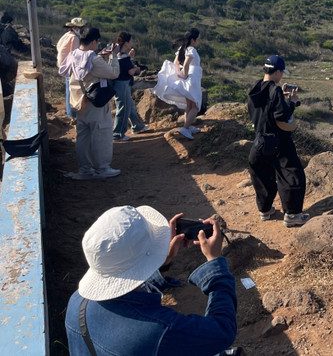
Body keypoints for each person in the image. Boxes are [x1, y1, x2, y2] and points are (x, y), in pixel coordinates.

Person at [65, 205, 236, 355]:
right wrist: (215, 263)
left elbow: (128, 292)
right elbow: (222, 330)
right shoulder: (160, 329)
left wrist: (161, 263)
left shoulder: (77, 302)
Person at [247, 55, 310, 227]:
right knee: (292, 175)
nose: (282, 76)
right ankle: (292, 215)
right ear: (277, 72)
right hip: (277, 140)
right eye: (281, 72)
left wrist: (279, 99)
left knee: (262, 176)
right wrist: (292, 103)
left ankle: (265, 210)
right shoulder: (274, 91)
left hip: (259, 141)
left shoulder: (256, 87)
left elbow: (262, 110)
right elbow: (281, 115)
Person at [60, 28, 121, 180]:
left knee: (83, 137)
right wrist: (113, 56)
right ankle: (102, 168)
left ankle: (85, 169)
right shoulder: (93, 59)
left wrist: (100, 56)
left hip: (79, 102)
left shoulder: (73, 55)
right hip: (95, 102)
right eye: (97, 41)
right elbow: (113, 73)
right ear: (93, 41)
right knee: (101, 134)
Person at [152, 28, 202, 140]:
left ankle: (188, 126)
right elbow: (186, 64)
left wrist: (180, 73)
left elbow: (176, 63)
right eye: (198, 38)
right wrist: (184, 74)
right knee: (195, 106)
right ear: (193, 40)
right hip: (192, 78)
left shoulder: (182, 48)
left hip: (189, 77)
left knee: (189, 104)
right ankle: (185, 128)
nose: (199, 40)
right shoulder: (191, 50)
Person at [109, 32, 149, 141]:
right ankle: (117, 133)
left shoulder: (118, 53)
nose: (132, 43)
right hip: (122, 83)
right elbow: (130, 71)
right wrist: (136, 69)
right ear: (126, 43)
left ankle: (137, 126)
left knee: (129, 105)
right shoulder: (123, 55)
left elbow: (122, 66)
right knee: (123, 107)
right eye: (131, 41)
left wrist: (130, 57)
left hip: (118, 83)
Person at [56, 17, 88, 118]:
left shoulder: (66, 35)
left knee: (68, 89)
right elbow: (76, 55)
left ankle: (71, 113)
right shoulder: (75, 38)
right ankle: (72, 114)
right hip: (70, 67)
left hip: (63, 65)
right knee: (72, 90)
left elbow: (58, 46)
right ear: (75, 28)